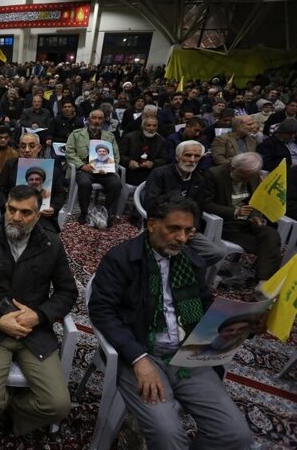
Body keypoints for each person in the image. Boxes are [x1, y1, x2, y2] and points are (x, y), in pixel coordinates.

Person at [88, 194, 253, 450]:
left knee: (236, 436)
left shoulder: (189, 261)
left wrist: (241, 324)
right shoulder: (121, 259)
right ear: (152, 224)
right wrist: (138, 358)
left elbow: (205, 305)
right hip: (142, 353)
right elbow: (101, 311)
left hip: (188, 355)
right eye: (174, 229)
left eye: (189, 231)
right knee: (169, 437)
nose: (182, 238)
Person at [0, 185, 76, 435]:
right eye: (11, 210)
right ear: (5, 207)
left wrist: (38, 316)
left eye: (25, 212)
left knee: (59, 406)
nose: (16, 217)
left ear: (38, 215)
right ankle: (8, 411)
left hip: (34, 332)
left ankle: (13, 412)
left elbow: (68, 292)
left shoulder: (51, 243)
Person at [202, 152, 282, 286]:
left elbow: (254, 201)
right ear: (232, 168)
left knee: (271, 234)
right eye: (242, 177)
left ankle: (264, 282)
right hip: (225, 222)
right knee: (267, 247)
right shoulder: (214, 175)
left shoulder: (253, 175)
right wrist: (234, 212)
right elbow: (205, 204)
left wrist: (255, 216)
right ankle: (262, 279)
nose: (245, 180)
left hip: (246, 221)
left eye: (249, 178)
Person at [142, 140, 226, 266]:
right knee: (166, 249)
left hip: (186, 229)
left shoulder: (199, 179)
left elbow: (198, 209)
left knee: (216, 253)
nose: (192, 160)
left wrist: (193, 228)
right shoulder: (160, 173)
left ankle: (178, 267)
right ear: (177, 157)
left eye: (197, 156)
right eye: (188, 155)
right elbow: (151, 203)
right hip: (163, 225)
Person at [0, 132, 66, 232]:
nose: (27, 150)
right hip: (14, 215)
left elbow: (60, 194)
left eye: (31, 146)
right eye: (23, 146)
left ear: (39, 148)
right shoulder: (10, 165)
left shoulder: (51, 169)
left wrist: (53, 208)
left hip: (41, 217)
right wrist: (5, 204)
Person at [66, 109, 122, 225]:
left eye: (100, 118)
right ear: (89, 119)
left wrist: (109, 167)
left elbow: (116, 156)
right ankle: (84, 212)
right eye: (94, 118)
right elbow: (69, 153)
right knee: (84, 183)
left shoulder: (109, 137)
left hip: (104, 171)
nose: (96, 121)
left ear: (104, 121)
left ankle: (105, 213)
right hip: (85, 169)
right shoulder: (76, 134)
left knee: (116, 183)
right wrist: (82, 165)